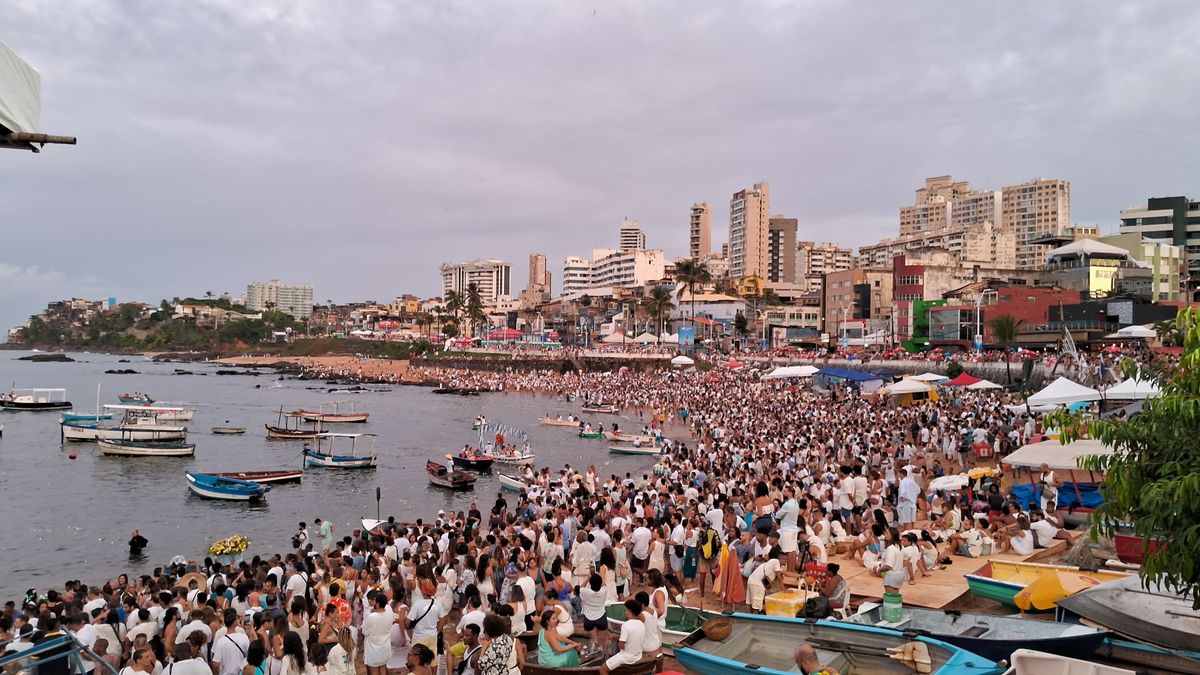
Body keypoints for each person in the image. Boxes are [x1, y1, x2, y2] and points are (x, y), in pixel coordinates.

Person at [600, 600, 644, 675]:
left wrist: (618, 641)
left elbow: (621, 646)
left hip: (627, 657)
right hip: (638, 655)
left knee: (602, 669)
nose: (624, 612)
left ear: (629, 611)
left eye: (625, 610)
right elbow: (632, 636)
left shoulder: (626, 625)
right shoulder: (641, 624)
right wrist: (618, 636)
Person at [577, 574, 609, 650]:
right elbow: (604, 585)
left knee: (593, 641)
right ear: (600, 583)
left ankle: (593, 652)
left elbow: (581, 587)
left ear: (590, 583)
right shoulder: (604, 591)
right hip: (601, 617)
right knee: (601, 640)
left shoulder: (585, 592)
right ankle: (602, 653)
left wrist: (587, 578)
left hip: (589, 619)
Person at [746, 549, 782, 613]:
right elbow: (779, 578)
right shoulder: (776, 561)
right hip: (757, 583)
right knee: (756, 607)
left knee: (751, 604)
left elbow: (786, 573)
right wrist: (783, 590)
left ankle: (749, 621)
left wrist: (799, 576)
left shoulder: (771, 563)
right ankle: (755, 622)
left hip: (751, 580)